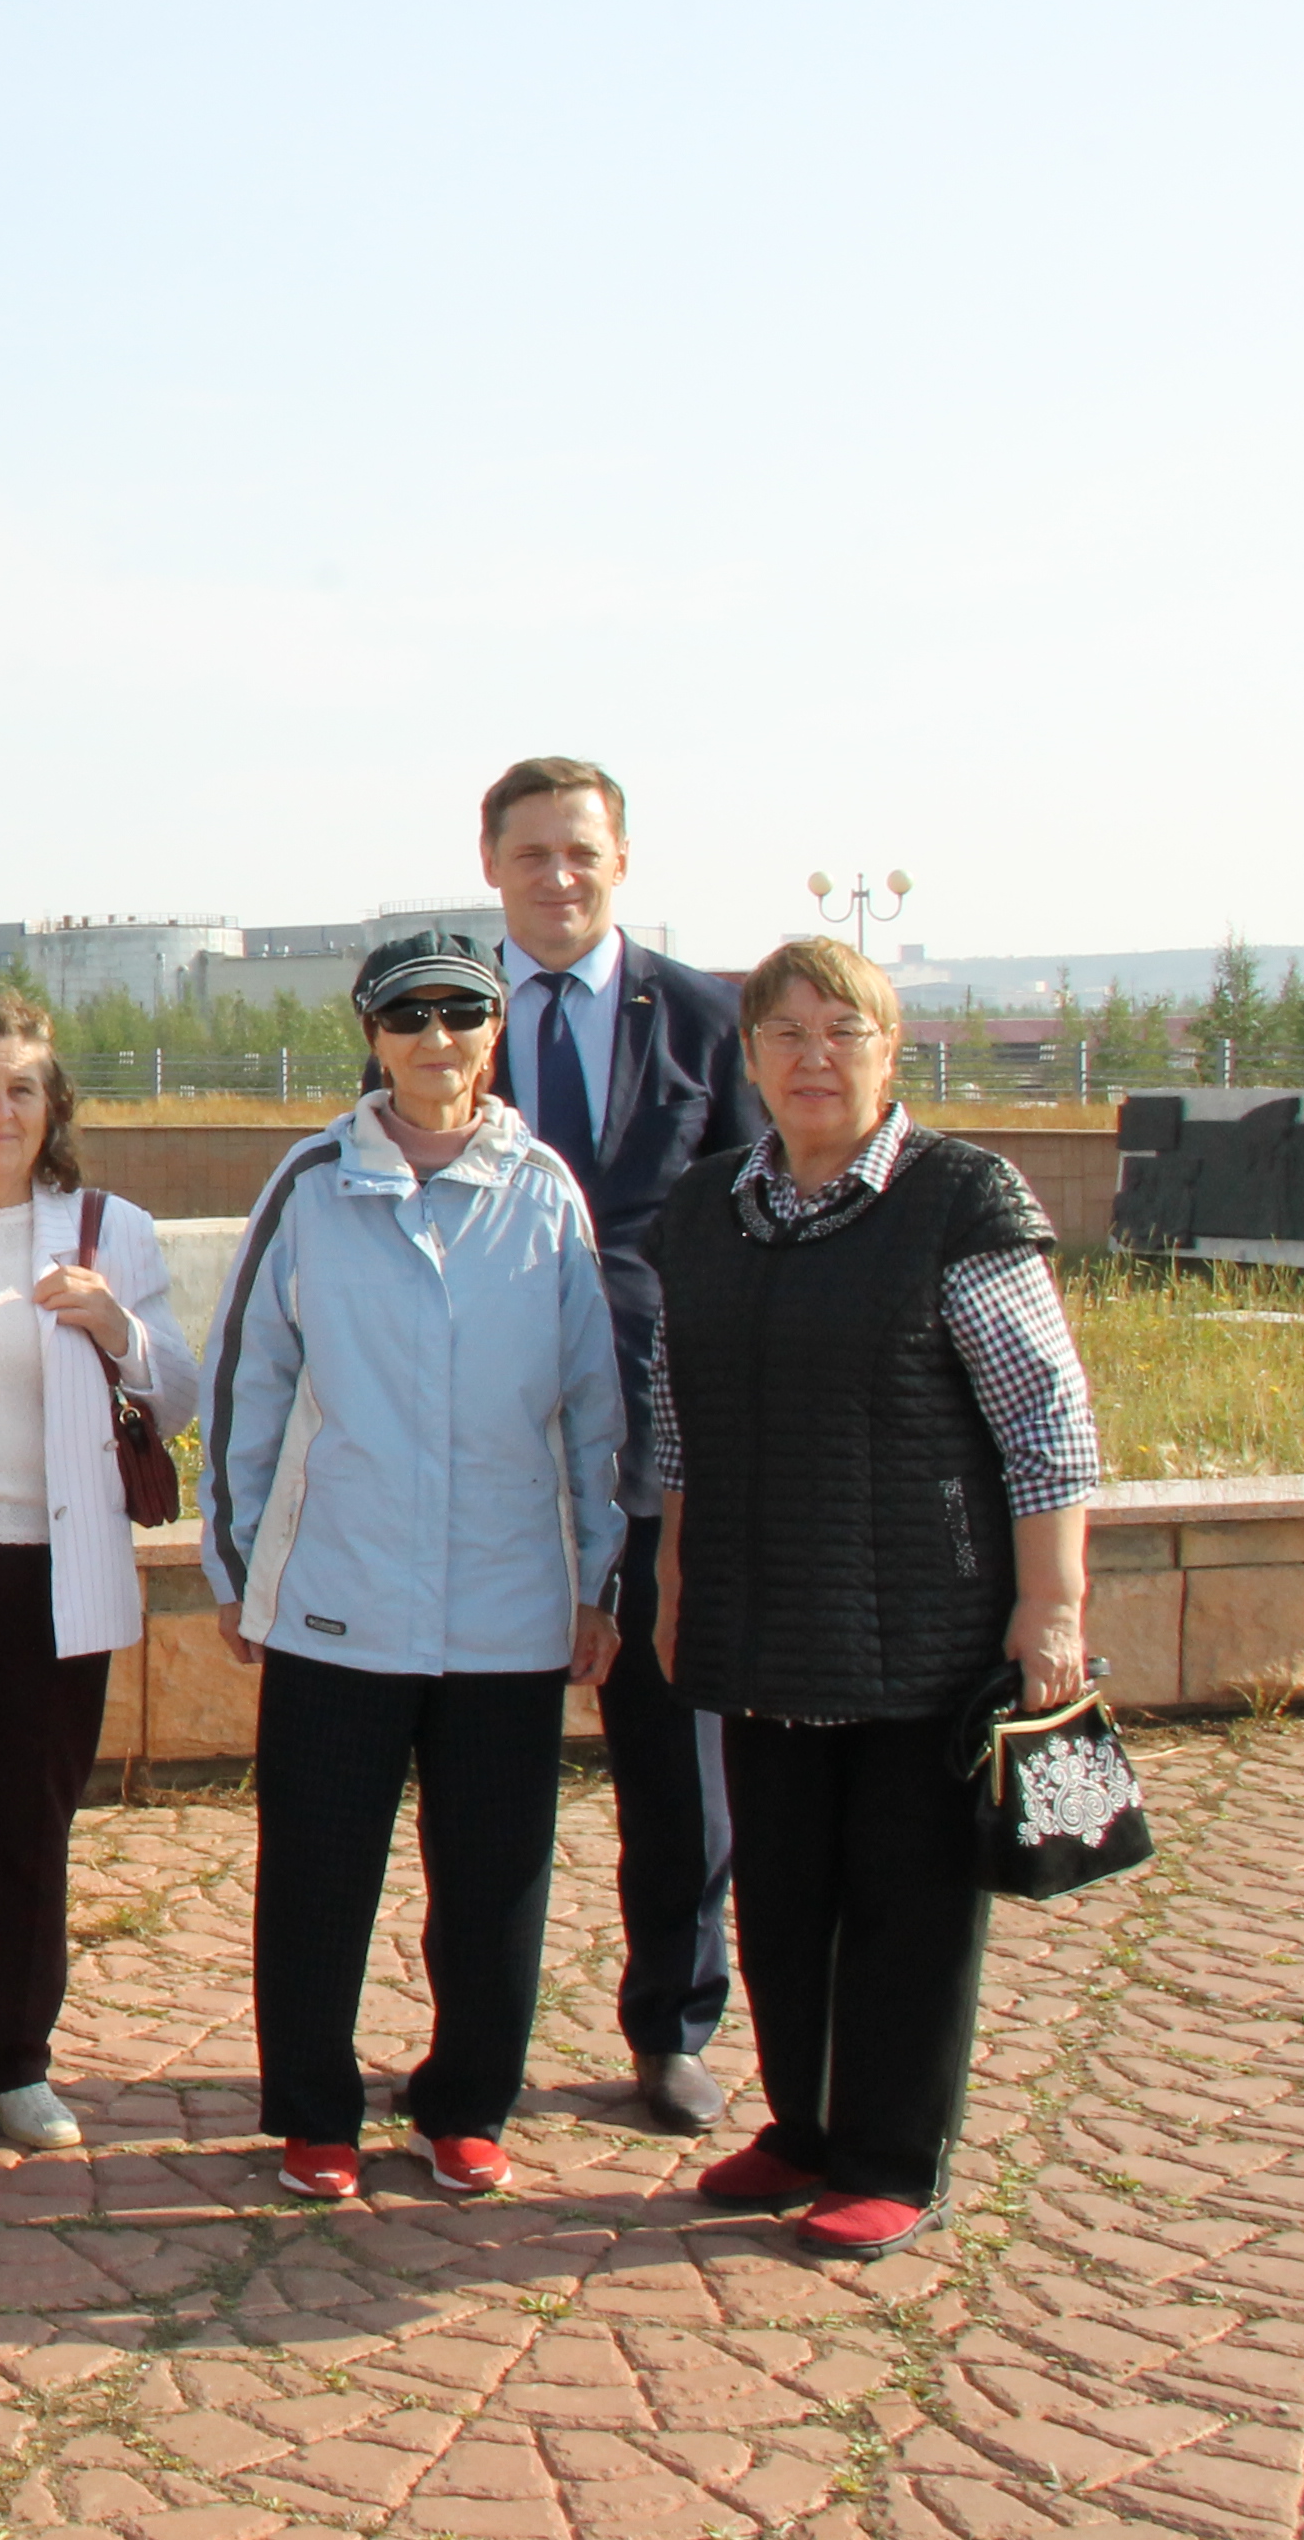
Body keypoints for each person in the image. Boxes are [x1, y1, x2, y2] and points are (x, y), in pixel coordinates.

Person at [651, 937, 1096, 2259]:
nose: (812, 1059)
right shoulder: (709, 1207)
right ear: (749, 1062)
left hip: (927, 1623)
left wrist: (1051, 1606)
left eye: (842, 1030)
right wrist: (676, 1574)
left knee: (907, 1899)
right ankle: (803, 2128)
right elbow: (678, 1418)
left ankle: (896, 2156)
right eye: (781, 1034)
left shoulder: (959, 1199)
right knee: (782, 1889)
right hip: (756, 1610)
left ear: (893, 1051)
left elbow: (1047, 1422)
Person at [204, 931, 624, 2204]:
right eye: (409, 1018)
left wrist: (597, 1579)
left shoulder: (544, 1188)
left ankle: (465, 2101)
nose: (437, 1041)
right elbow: (250, 1382)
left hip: (507, 1605)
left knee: (494, 1878)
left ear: (494, 1031)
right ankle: (317, 2111)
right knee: (320, 1870)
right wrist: (238, 1564)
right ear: (371, 1035)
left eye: (464, 1015)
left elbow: (592, 1405)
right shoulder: (314, 1183)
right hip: (344, 1598)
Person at [479, 755, 762, 2136]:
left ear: (623, 861)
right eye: (532, 854)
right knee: (489, 1767)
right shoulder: (445, 1019)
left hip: (667, 1446)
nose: (559, 877)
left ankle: (675, 2025)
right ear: (492, 869)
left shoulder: (708, 1018)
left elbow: (765, 1211)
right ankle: (482, 2041)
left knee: (673, 1759)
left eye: (581, 852)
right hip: (493, 1451)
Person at [0, 992, 202, 2156]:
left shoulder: (110, 1229)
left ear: (51, 1107)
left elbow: (176, 1395)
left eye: (21, 1088)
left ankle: (13, 2064)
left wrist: (118, 1327)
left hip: (55, 1582)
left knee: (30, 1827)